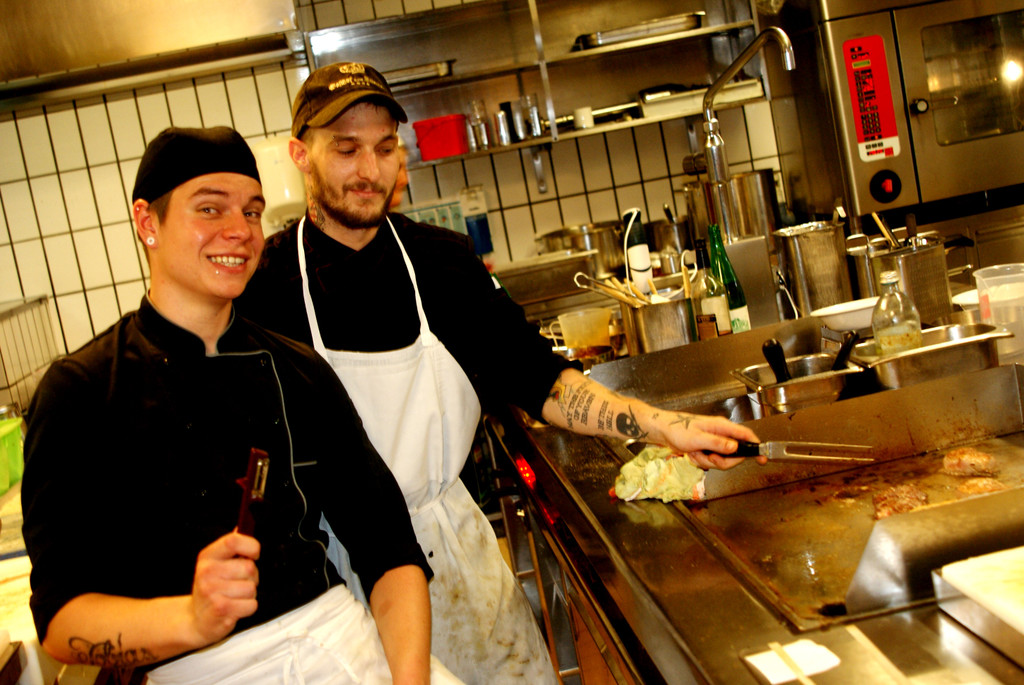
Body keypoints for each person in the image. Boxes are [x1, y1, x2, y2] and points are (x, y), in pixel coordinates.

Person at [235, 62, 763, 684]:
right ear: (301, 154)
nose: (369, 172)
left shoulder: (443, 265)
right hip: (334, 581)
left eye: (384, 149)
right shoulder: (260, 290)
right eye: (346, 150)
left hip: (456, 560)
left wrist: (663, 426)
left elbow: (540, 380)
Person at [21, 126, 462, 685]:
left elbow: (390, 551)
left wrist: (410, 681)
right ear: (146, 222)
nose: (239, 232)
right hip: (199, 669)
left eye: (252, 213)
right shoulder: (81, 390)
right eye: (210, 209)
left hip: (342, 645)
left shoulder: (297, 370)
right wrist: (192, 618)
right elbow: (61, 621)